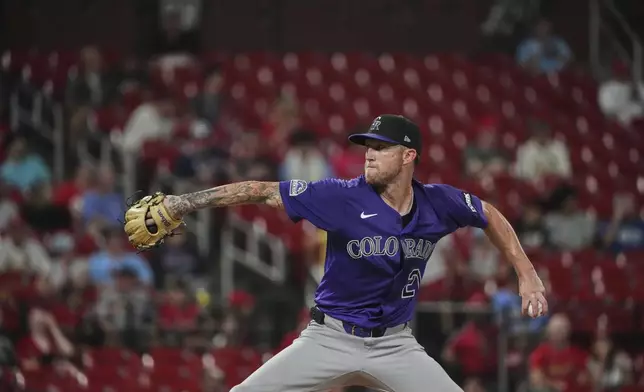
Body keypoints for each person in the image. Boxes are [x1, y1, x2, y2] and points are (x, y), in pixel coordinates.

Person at [137, 114, 548, 391]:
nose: (369, 152)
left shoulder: (438, 202)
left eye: (382, 147)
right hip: (330, 337)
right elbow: (260, 191)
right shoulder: (339, 196)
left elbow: (488, 213)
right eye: (367, 145)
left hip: (397, 345)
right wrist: (183, 203)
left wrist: (526, 273)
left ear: (408, 156)